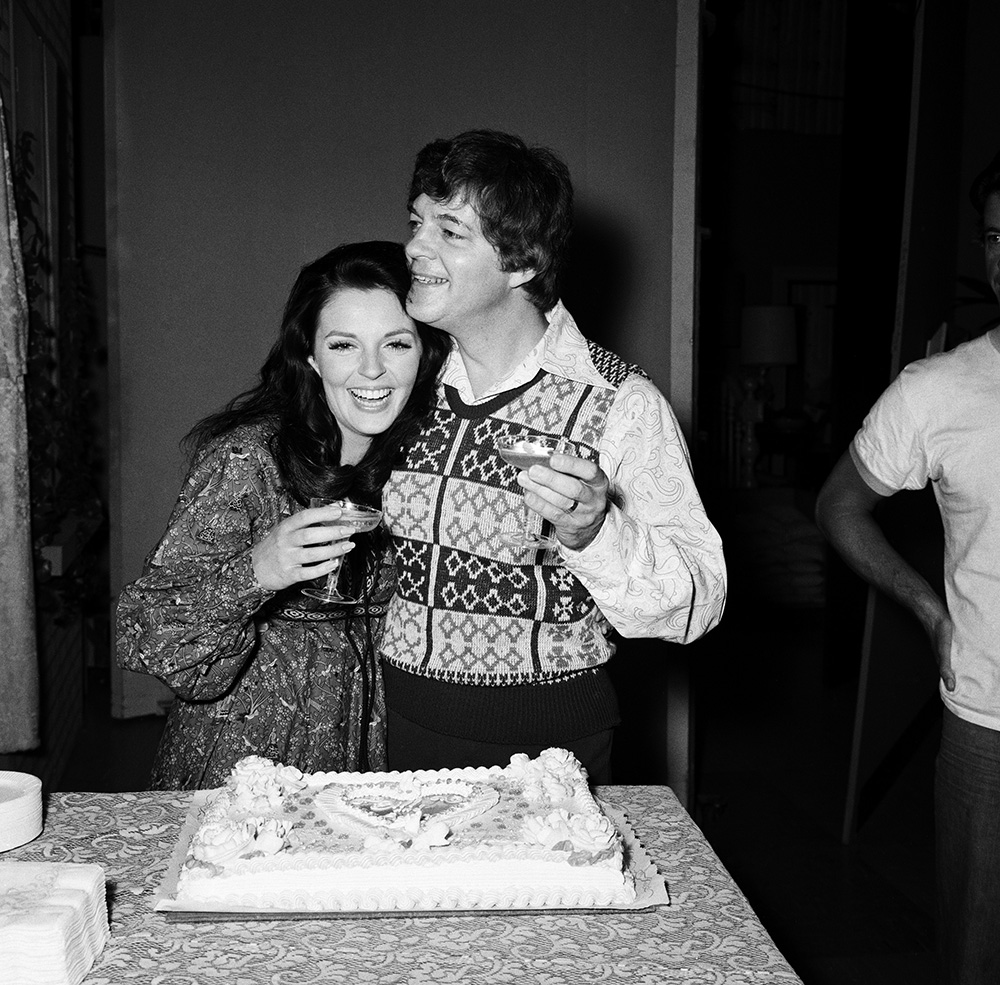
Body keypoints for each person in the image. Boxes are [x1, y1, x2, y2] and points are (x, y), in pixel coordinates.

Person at [378, 129, 727, 783]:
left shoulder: (618, 402)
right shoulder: (404, 379)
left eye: (449, 231)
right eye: (416, 223)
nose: (413, 247)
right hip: (400, 735)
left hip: (545, 755)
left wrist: (596, 531)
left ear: (521, 262)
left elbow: (699, 601)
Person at [116, 241, 449, 790]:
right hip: (248, 756)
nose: (372, 370)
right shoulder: (249, 458)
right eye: (344, 345)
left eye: (396, 344)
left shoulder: (428, 460)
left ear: (425, 352)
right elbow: (145, 636)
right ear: (312, 356)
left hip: (376, 754)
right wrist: (258, 571)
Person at [814, 150, 1000, 985]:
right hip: (989, 722)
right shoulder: (939, 390)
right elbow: (838, 505)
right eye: (997, 236)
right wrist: (929, 611)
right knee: (977, 954)